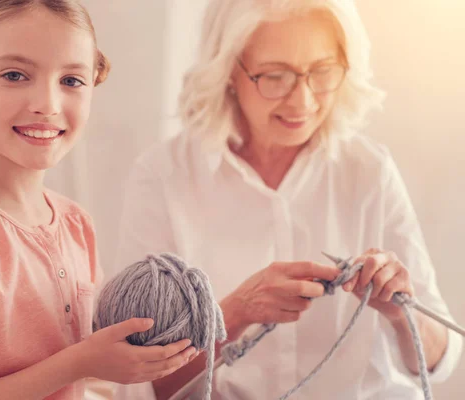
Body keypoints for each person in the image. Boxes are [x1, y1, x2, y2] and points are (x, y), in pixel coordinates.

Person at [114, 0, 463, 399]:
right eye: (275, 76)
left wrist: (402, 313)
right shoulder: (164, 178)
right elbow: (141, 382)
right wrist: (236, 311)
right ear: (228, 70)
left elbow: (439, 362)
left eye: (322, 71)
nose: (303, 101)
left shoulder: (369, 171)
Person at [0, 1, 197, 399]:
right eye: (15, 75)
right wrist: (80, 363)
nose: (47, 105)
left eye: (71, 80)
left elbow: (92, 375)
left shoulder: (74, 223)